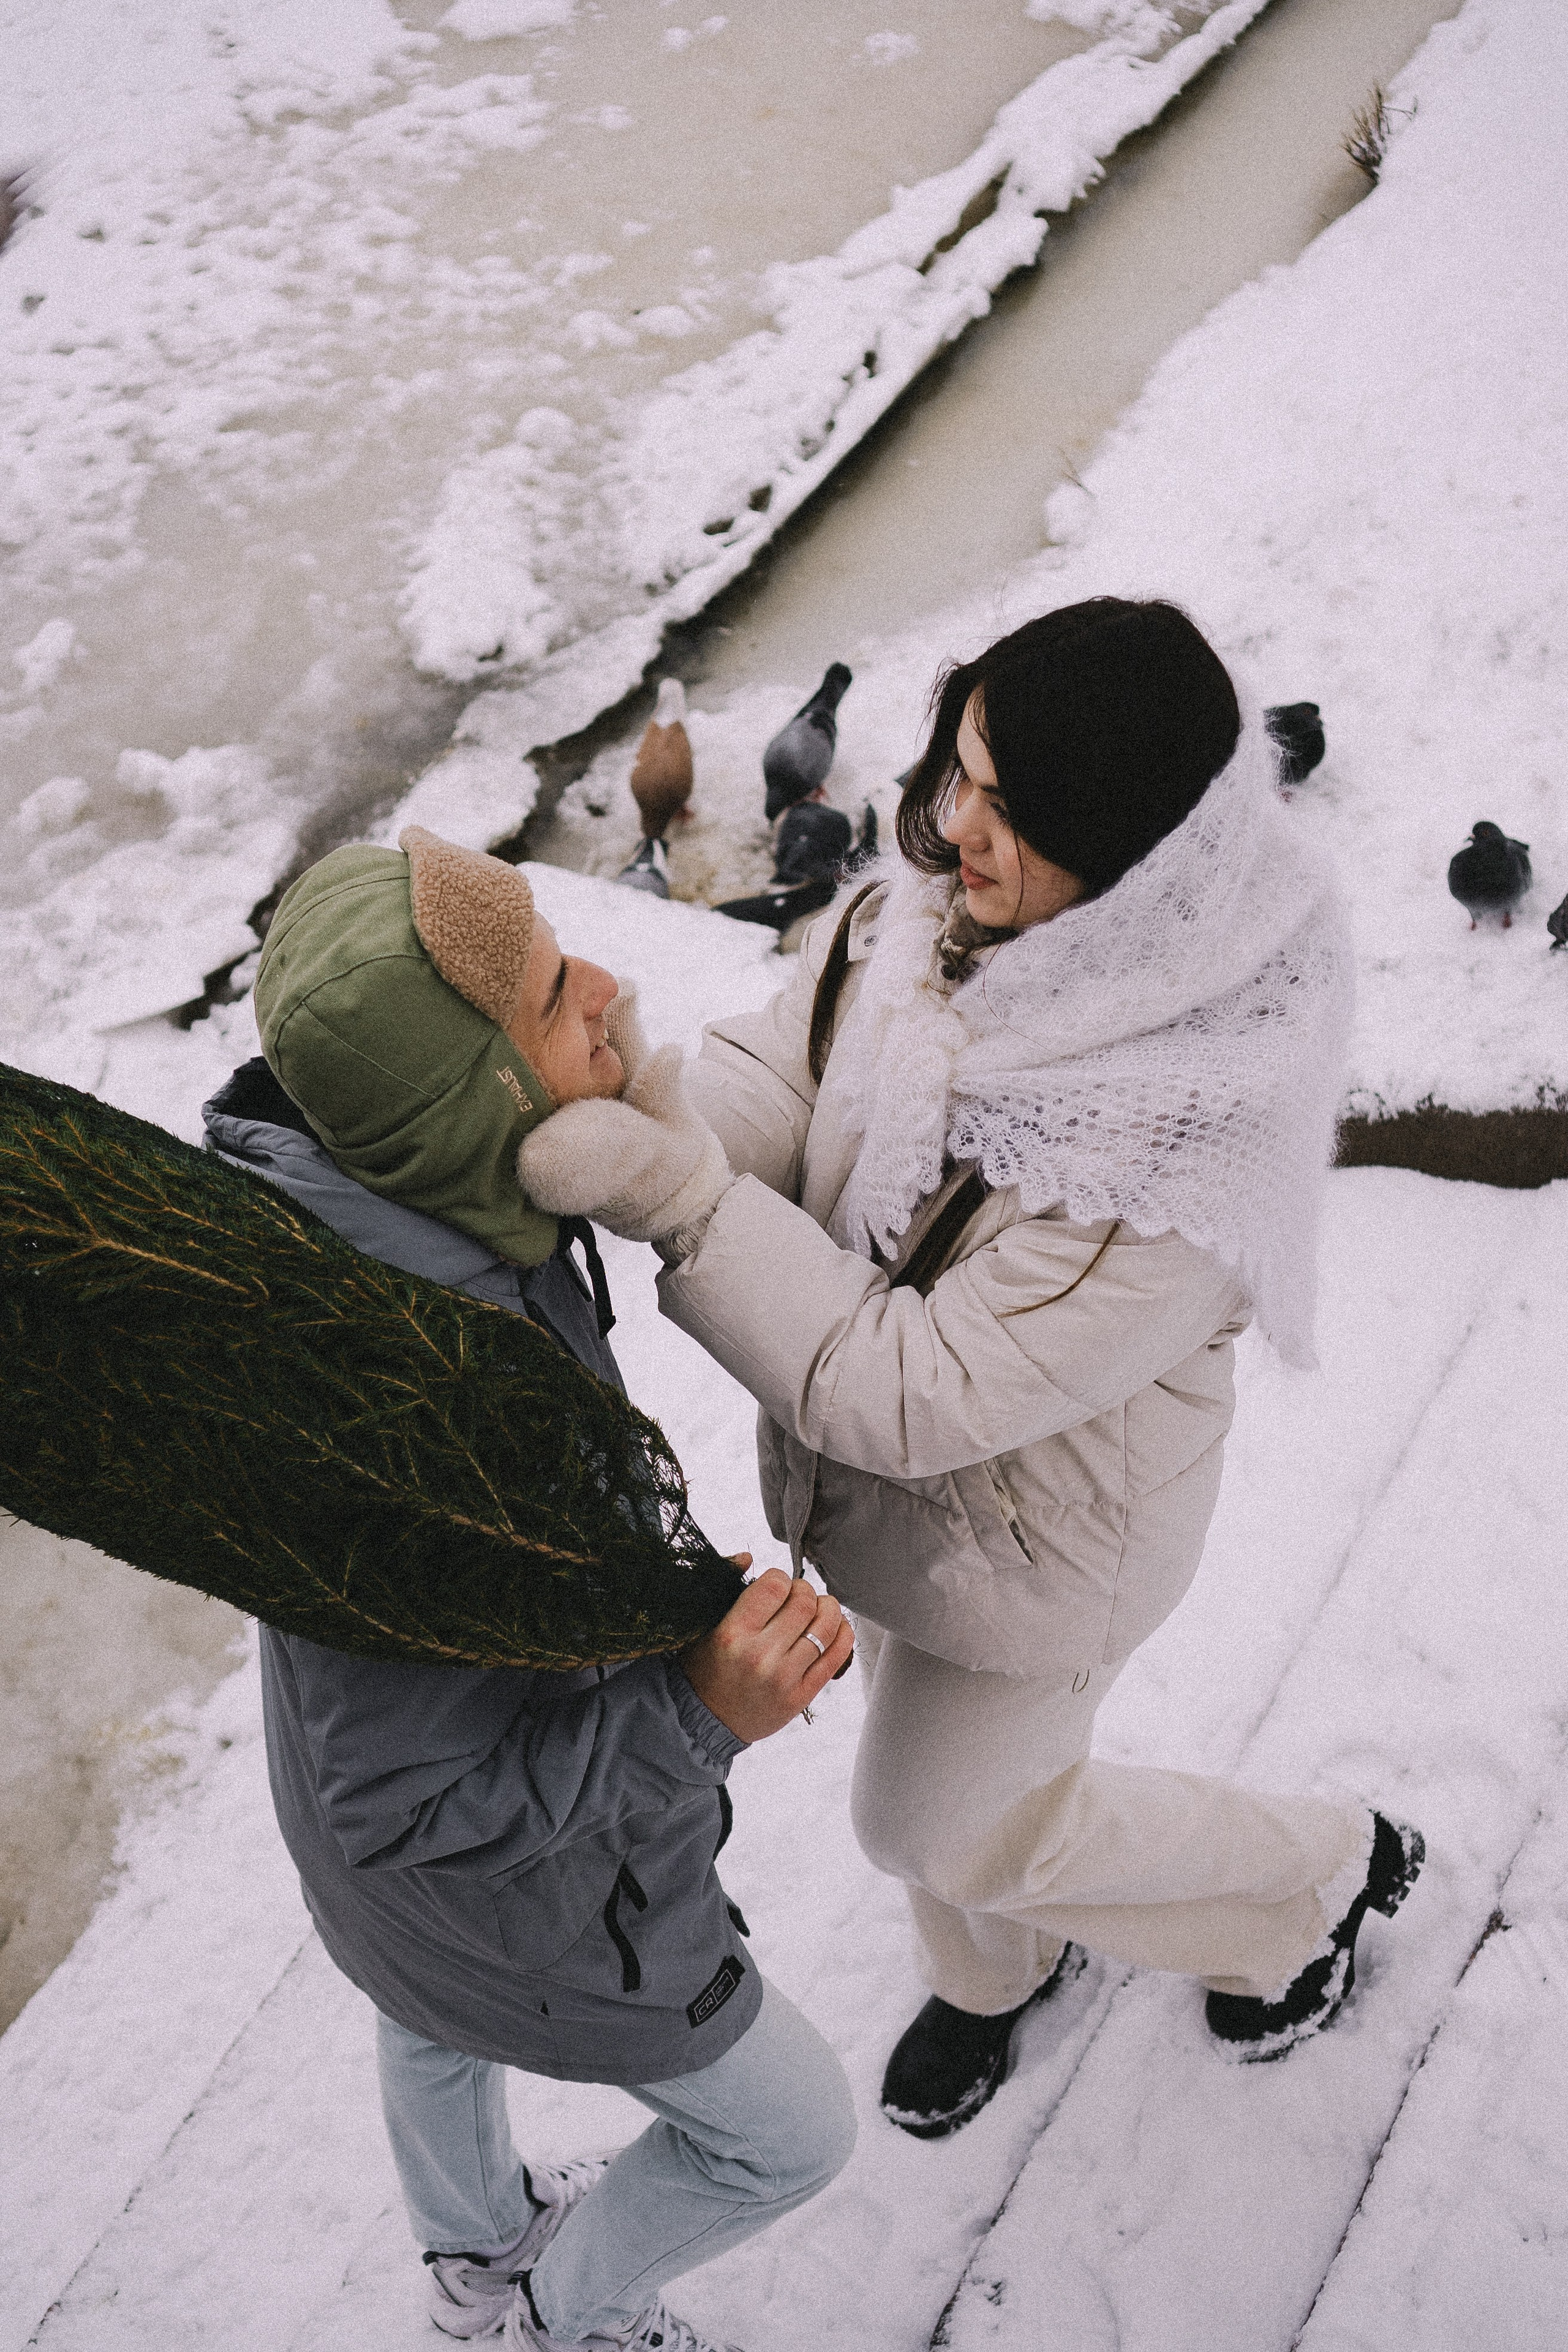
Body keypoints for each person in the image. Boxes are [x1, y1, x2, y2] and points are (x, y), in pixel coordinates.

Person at [521, 597, 1425, 2142]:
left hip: (1039, 1546)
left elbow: (918, 1388)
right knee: (958, 1809)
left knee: (929, 1815)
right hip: (888, 1504)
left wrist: (670, 1200)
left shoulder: (1168, 1137)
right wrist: (663, 1114)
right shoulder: (942, 912)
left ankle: (1307, 1883)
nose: (950, 825)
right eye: (962, 770)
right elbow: (788, 1066)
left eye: (1012, 811)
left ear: (1135, 863)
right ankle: (999, 1971)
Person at [203, 826, 856, 2352]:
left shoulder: (398, 1224)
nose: (616, 991)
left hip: (398, 1910)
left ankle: (471, 2245)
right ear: (474, 1102)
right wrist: (698, 1715)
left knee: (421, 2009)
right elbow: (412, 1807)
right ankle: (560, 2313)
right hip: (522, 1895)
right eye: (563, 996)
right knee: (788, 2135)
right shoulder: (423, 1425)